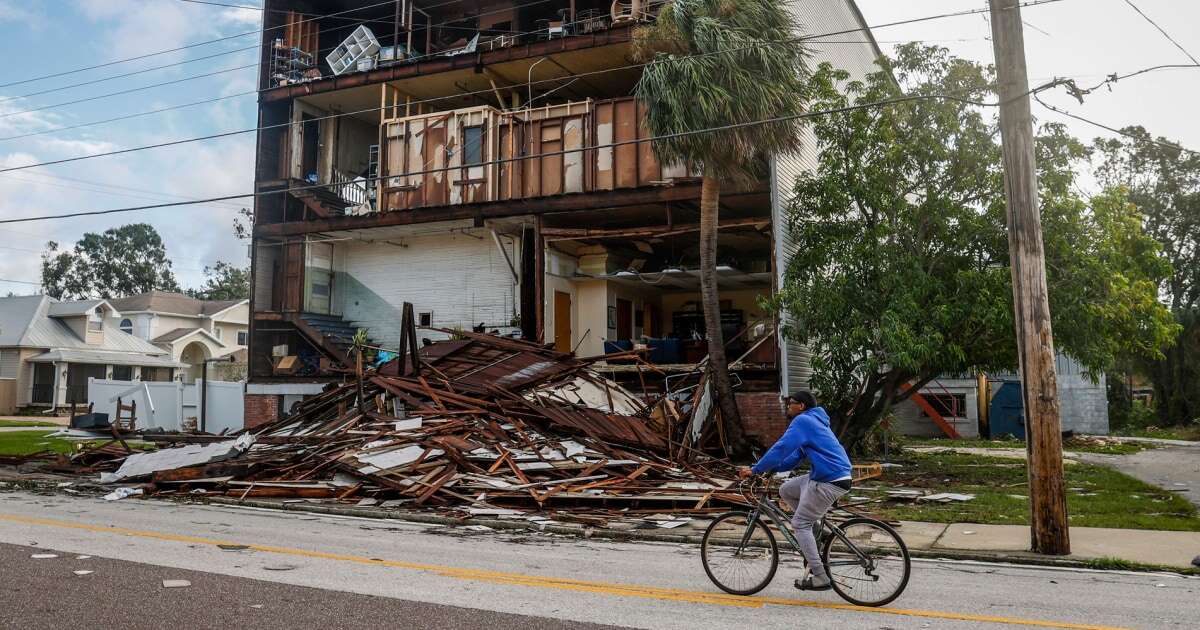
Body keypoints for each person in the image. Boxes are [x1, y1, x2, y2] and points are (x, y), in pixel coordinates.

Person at [738, 391, 852, 591]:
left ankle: (820, 576)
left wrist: (756, 469)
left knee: (800, 523)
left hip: (829, 480)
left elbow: (781, 448)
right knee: (786, 489)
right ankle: (817, 530)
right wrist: (774, 469)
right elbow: (795, 456)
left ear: (801, 406)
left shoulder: (803, 422)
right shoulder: (814, 421)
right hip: (831, 475)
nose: (787, 406)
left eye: (790, 403)